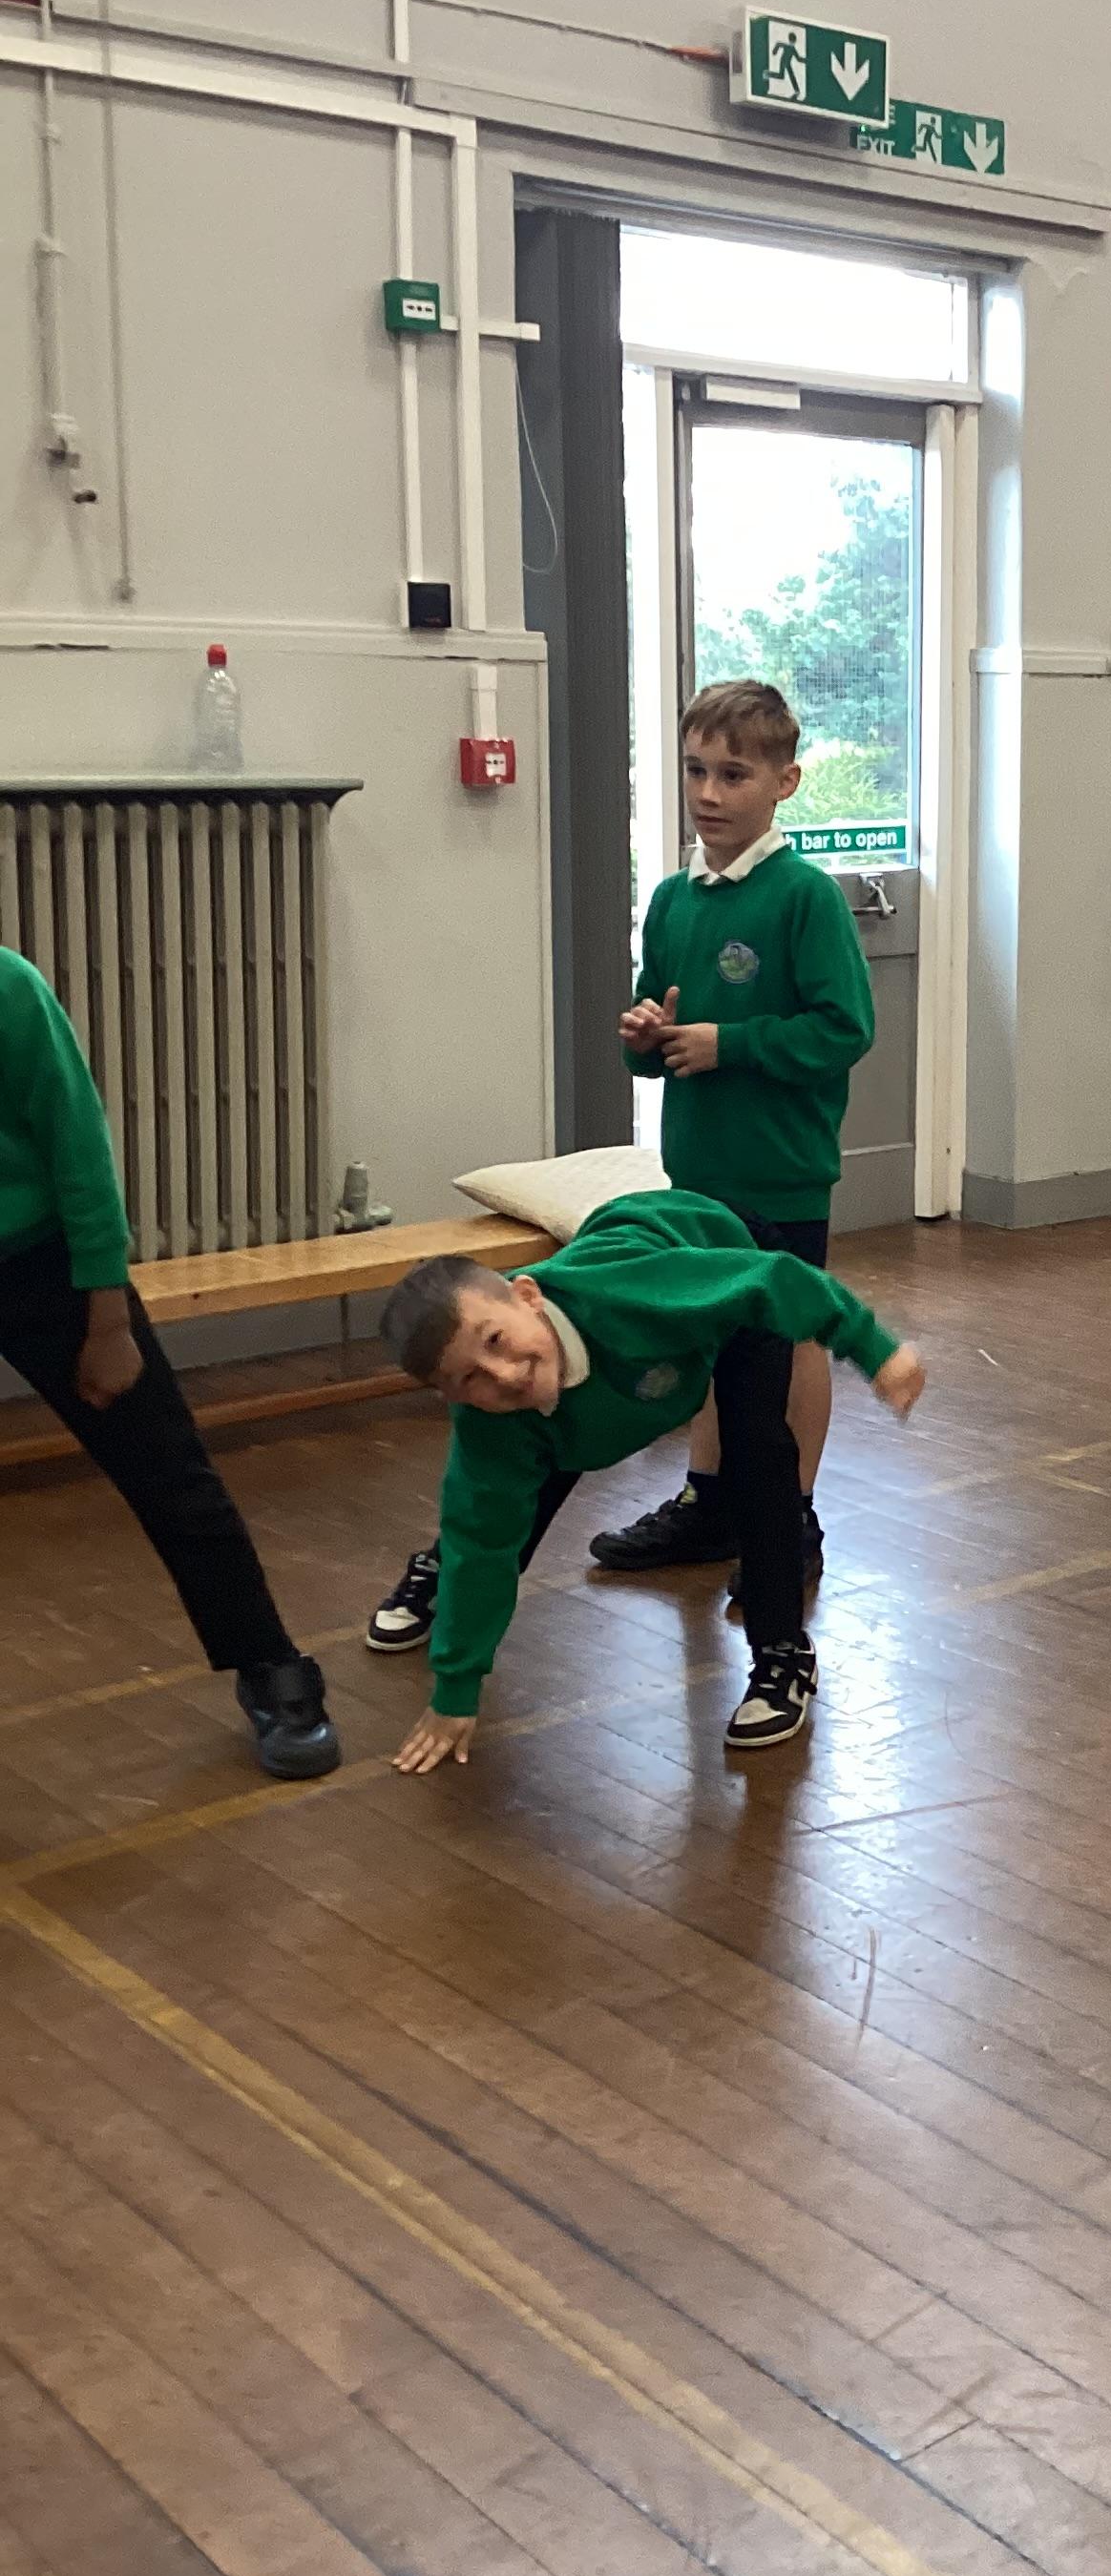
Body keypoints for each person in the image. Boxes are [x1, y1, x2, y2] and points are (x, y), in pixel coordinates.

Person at [368, 677, 873, 1652]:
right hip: (696, 1177)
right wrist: (646, 1038)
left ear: (785, 782)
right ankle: (710, 1502)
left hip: (780, 1171)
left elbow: (844, 1029)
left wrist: (731, 1044)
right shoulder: (674, 899)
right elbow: (658, 1030)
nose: (710, 792)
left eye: (735, 774)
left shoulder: (805, 896)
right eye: (696, 770)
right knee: (705, 1333)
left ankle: (788, 1516)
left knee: (782, 1341)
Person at [380, 1187, 922, 1767]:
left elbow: (776, 1279)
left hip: (720, 1258)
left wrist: (876, 1350)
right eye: (469, 1378)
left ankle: (783, 1654)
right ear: (448, 1396)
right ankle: (440, 1576)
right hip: (604, 1345)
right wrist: (455, 1691)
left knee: (757, 1455)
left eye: (496, 1341)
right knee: (508, 1492)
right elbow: (484, 1541)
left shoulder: (633, 1297)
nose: (504, 1374)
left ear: (528, 1296)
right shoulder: (490, 1418)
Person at [0, 945, 338, 1777]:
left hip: (45, 1263)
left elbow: (78, 1144)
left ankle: (269, 1664)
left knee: (168, 1472)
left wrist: (107, 1314)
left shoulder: (9, 987)